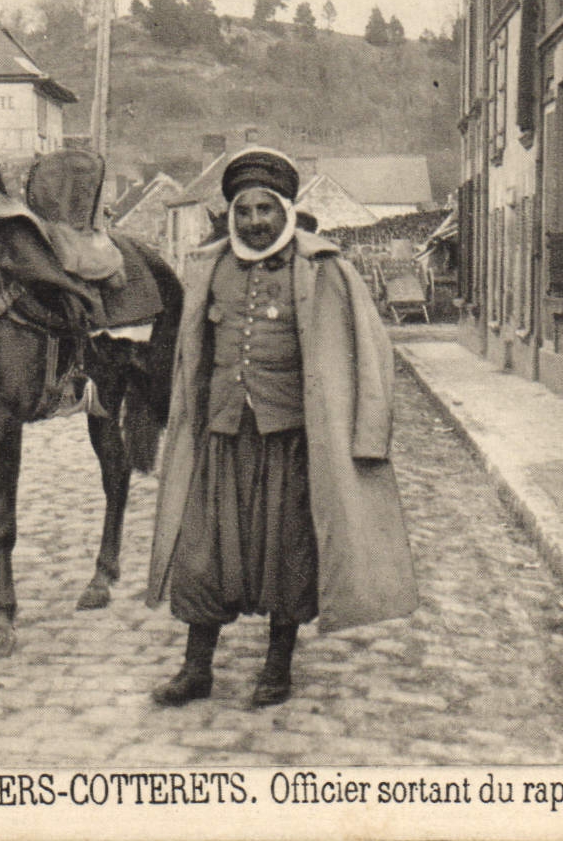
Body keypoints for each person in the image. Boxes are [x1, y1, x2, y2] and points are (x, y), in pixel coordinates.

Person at [144, 148, 417, 708]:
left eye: (265, 209)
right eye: (243, 211)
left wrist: (368, 435)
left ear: (286, 210)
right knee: (203, 554)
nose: (254, 222)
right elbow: (188, 353)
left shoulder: (323, 270)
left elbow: (371, 355)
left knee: (286, 555)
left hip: (292, 444)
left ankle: (277, 667)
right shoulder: (209, 267)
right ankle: (196, 668)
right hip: (221, 440)